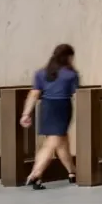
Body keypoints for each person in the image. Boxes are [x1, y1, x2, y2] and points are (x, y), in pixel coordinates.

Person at [19, 44, 79, 190]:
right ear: (69, 57)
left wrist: (26, 113)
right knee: (52, 142)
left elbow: (34, 93)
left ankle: (72, 172)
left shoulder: (41, 73)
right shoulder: (71, 74)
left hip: (46, 107)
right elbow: (76, 92)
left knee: (61, 141)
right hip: (62, 107)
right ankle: (36, 174)